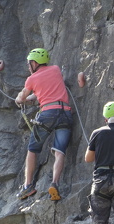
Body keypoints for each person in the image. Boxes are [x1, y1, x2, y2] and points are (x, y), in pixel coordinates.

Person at [15, 48, 73, 201]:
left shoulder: (31, 79)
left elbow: (22, 97)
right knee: (60, 151)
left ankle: (27, 186)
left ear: (34, 63)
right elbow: (43, 91)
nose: (28, 66)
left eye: (29, 63)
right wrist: (31, 98)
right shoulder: (55, 70)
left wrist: (20, 98)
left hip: (47, 114)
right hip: (65, 112)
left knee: (33, 150)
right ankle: (54, 183)